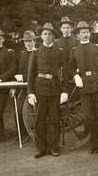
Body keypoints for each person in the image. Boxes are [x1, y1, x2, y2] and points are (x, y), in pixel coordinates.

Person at [27, 23, 69, 158]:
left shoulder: (60, 52)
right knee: (40, 120)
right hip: (40, 89)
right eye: (45, 34)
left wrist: (64, 91)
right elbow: (30, 74)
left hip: (55, 89)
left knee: (54, 119)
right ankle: (41, 148)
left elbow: (65, 73)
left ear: (53, 36)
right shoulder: (36, 52)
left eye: (50, 34)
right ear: (41, 36)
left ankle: (53, 147)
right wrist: (30, 92)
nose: (47, 36)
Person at [69, 21, 98, 154]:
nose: (85, 34)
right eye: (83, 32)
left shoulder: (97, 48)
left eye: (87, 32)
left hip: (97, 84)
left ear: (90, 33)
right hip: (84, 86)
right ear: (78, 35)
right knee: (88, 116)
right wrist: (76, 76)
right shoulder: (75, 50)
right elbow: (70, 68)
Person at [14, 30, 37, 143]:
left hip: (37, 87)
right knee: (18, 110)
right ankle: (24, 134)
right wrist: (15, 87)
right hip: (24, 88)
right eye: (26, 41)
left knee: (39, 111)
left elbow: (38, 73)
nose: (28, 43)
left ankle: (39, 132)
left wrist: (23, 77)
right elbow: (18, 71)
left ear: (35, 41)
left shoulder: (38, 53)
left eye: (30, 41)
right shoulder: (22, 55)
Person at [55, 16, 78, 84]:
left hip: (74, 74)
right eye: (64, 28)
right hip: (61, 74)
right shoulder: (56, 42)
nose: (66, 30)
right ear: (60, 29)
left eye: (68, 28)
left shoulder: (77, 42)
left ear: (71, 28)